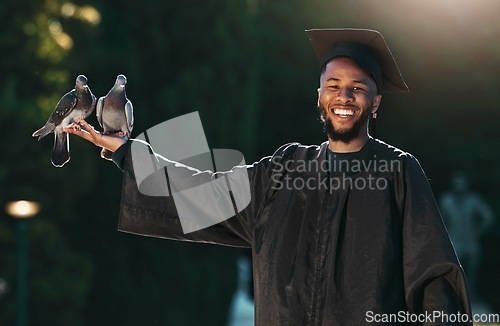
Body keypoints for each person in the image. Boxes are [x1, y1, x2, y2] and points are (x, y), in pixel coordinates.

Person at [65, 28, 472, 325]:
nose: (343, 97)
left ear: (376, 102)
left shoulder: (398, 172)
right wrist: (128, 153)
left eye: (357, 88)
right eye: (333, 85)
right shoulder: (283, 171)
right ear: (319, 97)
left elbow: (434, 277)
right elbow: (203, 192)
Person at [440, 171, 494, 302]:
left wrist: (479, 230)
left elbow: (488, 216)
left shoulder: (473, 200)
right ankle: (454, 295)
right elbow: (440, 219)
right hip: (454, 240)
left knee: (471, 271)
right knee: (453, 269)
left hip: (471, 240)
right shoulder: (446, 200)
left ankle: (470, 297)